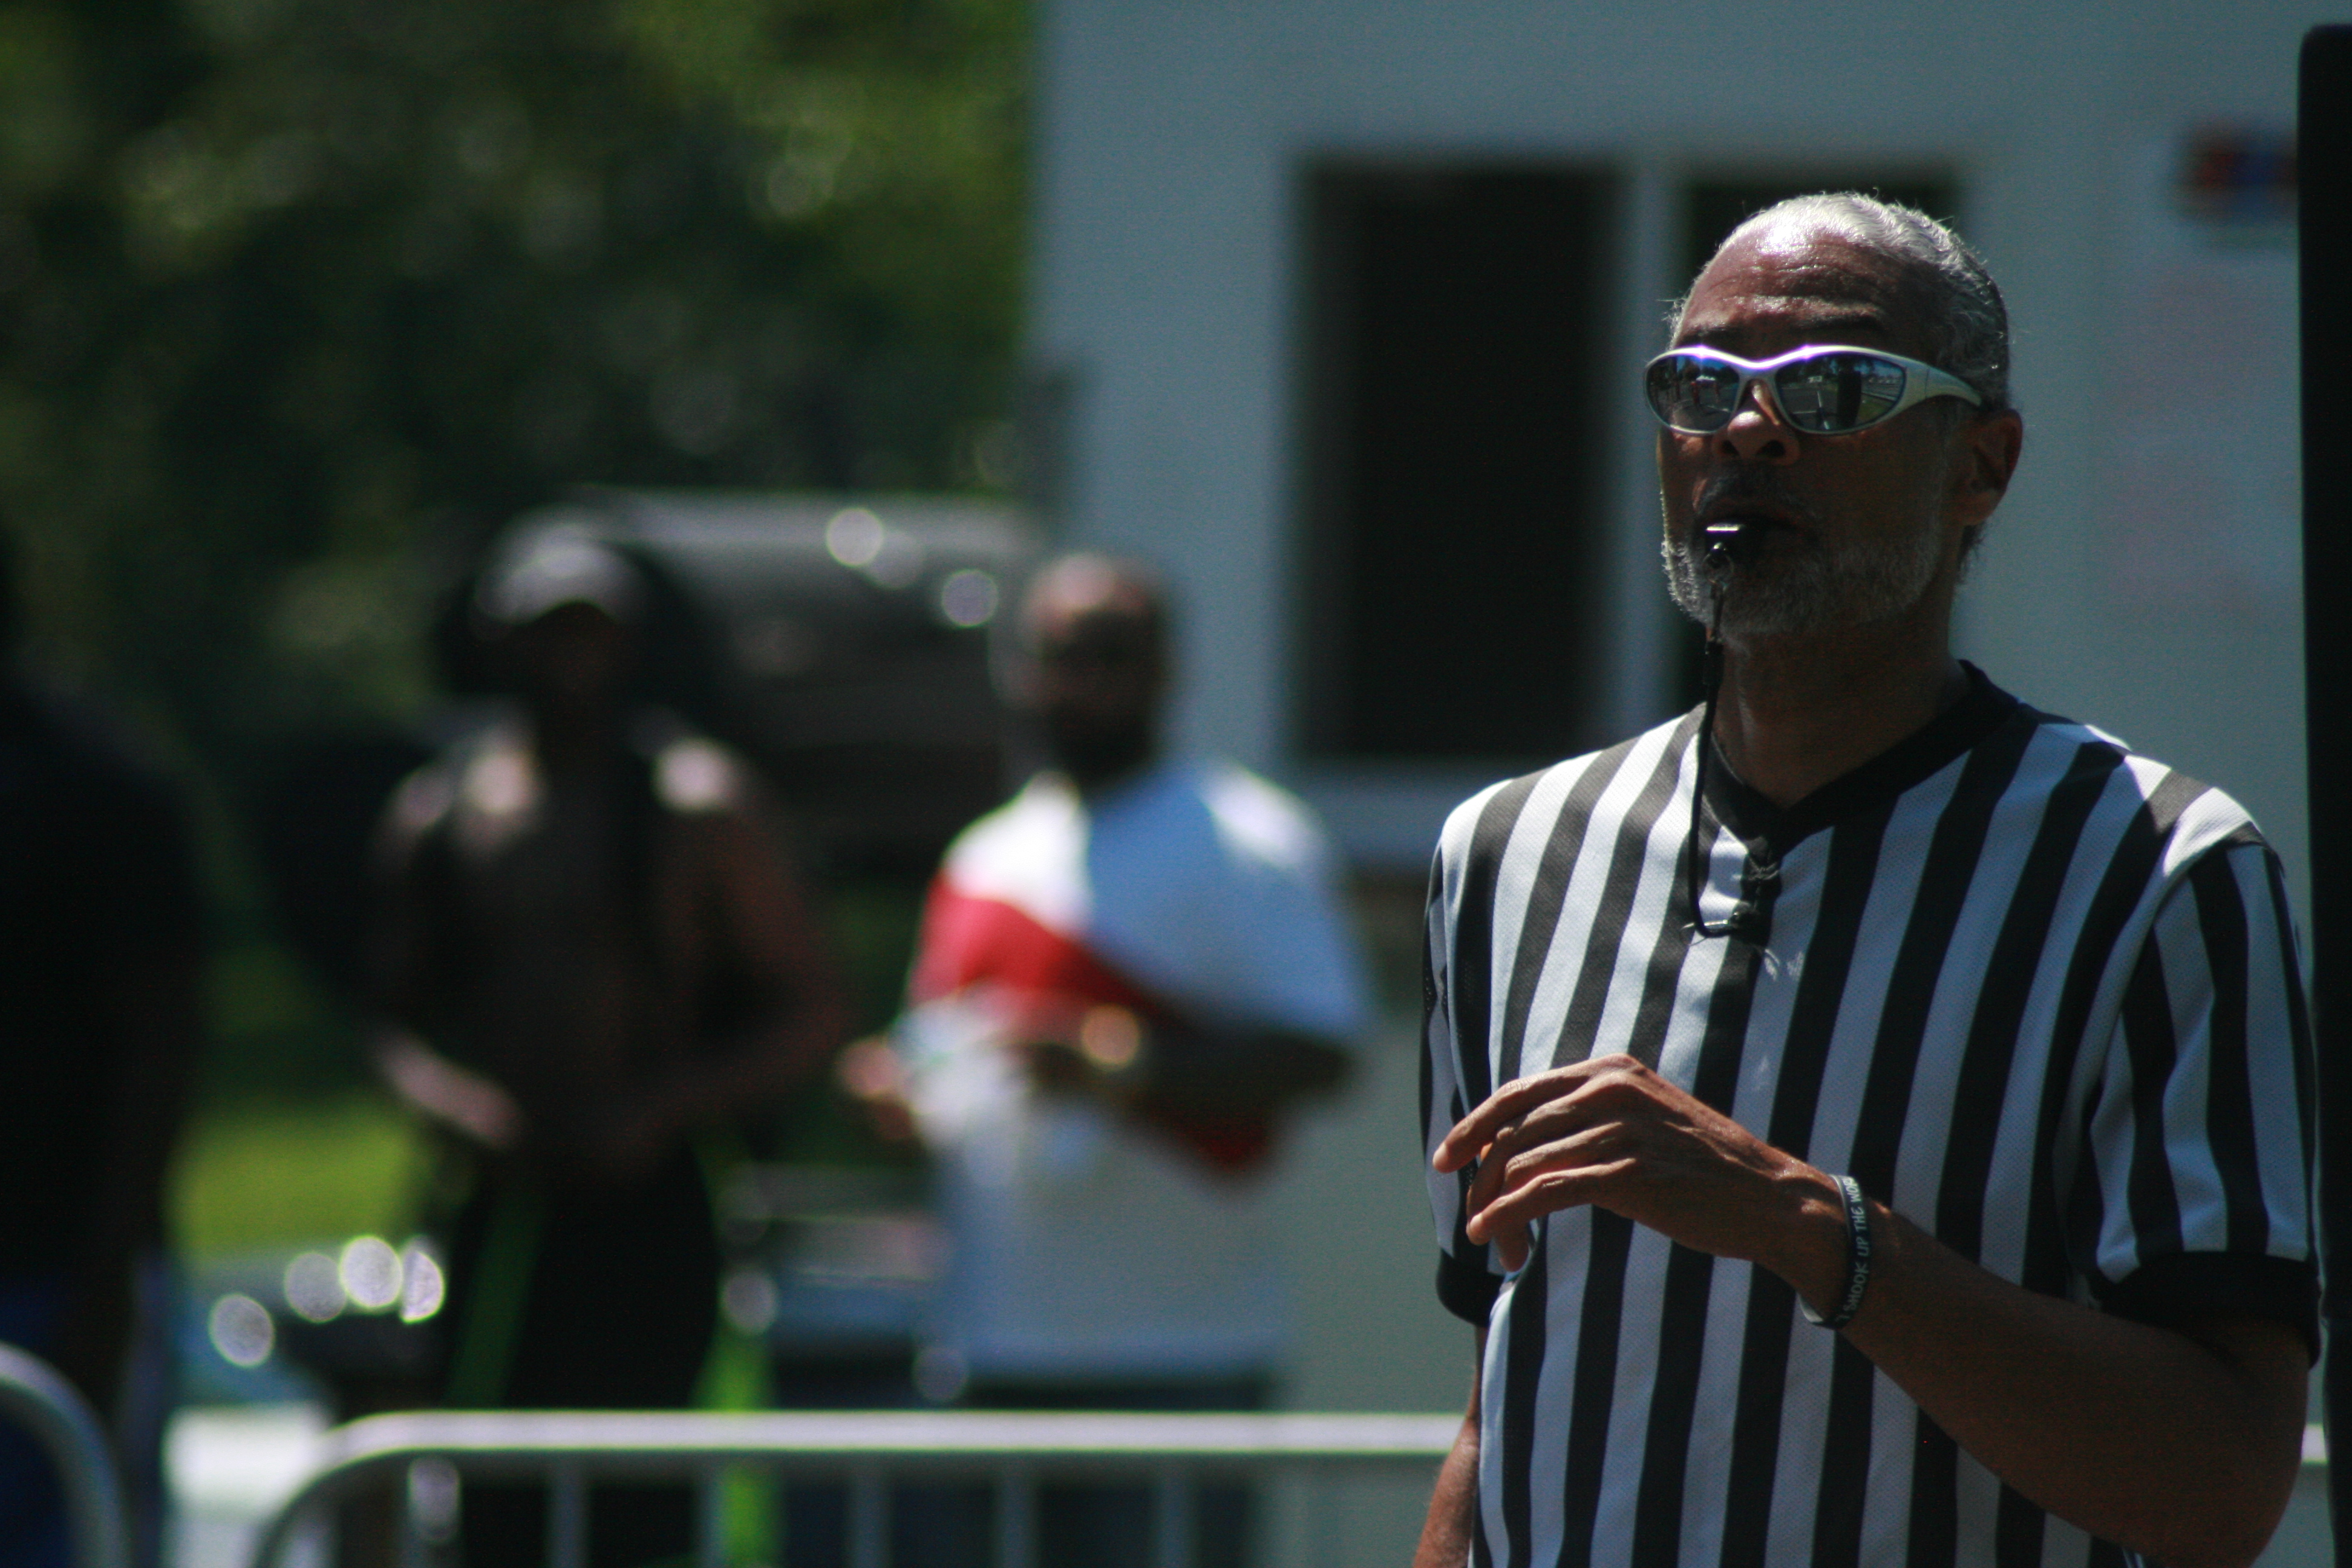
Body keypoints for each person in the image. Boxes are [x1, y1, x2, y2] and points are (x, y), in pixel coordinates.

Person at [1414, 194, 2315, 1568]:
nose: (1749, 430)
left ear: (1982, 466)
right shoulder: (1508, 854)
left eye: (1834, 387)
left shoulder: (2157, 870)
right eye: (1702, 385)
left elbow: (2224, 1487)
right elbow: (1509, 1397)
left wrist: (1805, 1227)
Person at [841, 552, 1373, 1566]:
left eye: (1109, 657)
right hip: (988, 1352)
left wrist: (1115, 1062)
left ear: (1167, 672)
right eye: (1055, 658)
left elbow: (1321, 1055)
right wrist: (895, 1095)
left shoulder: (1250, 842)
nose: (1078, 683)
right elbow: (942, 1061)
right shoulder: (983, 858)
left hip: (1182, 1359)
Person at [371, 528, 848, 1567]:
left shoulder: (696, 806)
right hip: (506, 1208)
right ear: (499, 645)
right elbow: (392, 1023)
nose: (568, 662)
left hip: (653, 1199)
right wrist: (458, 1107)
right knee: (494, 1497)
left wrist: (664, 1107)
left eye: (589, 636)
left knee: (648, 1497)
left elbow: (811, 1007)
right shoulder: (442, 815)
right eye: (546, 636)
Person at [0, 538, 201, 1568]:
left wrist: (111, 1279)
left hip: (62, 1268)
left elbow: (159, 1041)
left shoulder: (95, 784)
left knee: (84, 1535)